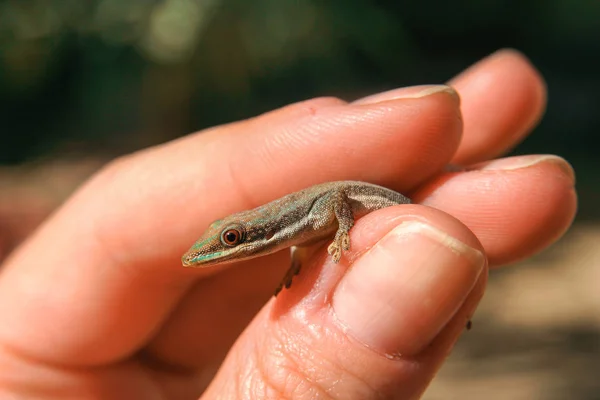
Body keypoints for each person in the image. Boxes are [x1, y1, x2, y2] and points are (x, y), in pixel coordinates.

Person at [0, 49, 576, 399]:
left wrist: (346, 237)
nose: (216, 252)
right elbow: (303, 243)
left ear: (252, 234)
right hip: (388, 224)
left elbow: (332, 212)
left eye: (227, 242)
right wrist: (298, 264)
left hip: (389, 207)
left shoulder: (308, 214)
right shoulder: (290, 235)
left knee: (442, 256)